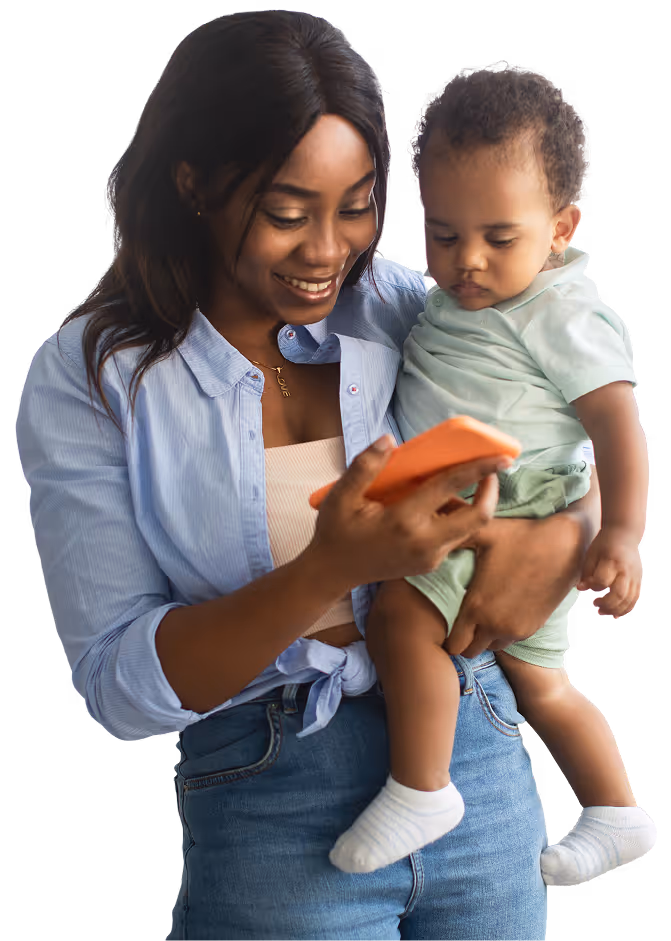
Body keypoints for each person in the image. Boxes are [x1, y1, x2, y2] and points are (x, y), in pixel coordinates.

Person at [15, 11, 613, 940]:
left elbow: (573, 427)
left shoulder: (410, 310)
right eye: (287, 213)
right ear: (194, 183)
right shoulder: (93, 378)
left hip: (482, 758)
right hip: (271, 799)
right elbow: (117, 687)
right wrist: (329, 567)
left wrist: (567, 533)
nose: (329, 250)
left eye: (357, 205)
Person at [328, 108, 658, 884]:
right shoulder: (449, 296)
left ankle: (421, 787)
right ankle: (616, 810)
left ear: (559, 228)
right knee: (542, 681)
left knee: (400, 618)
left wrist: (619, 532)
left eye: (498, 239)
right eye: (441, 234)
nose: (466, 260)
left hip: (513, 500)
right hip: (477, 492)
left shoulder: (562, 313)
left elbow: (618, 429)